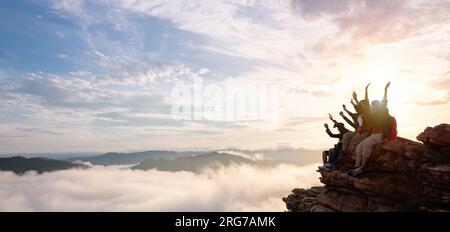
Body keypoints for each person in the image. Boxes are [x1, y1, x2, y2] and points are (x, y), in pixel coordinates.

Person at [350, 81, 396, 176]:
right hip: (372, 136)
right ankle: (357, 166)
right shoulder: (371, 115)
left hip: (379, 136)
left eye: (373, 106)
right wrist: (356, 99)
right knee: (359, 147)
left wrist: (385, 89)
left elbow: (384, 101)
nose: (371, 107)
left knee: (366, 146)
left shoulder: (381, 113)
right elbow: (363, 108)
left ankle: (362, 168)